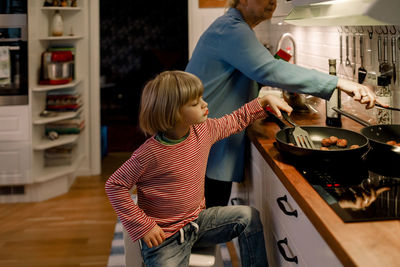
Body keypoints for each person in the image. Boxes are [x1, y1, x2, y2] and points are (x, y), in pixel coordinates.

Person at [185, 0, 378, 208]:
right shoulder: (232, 28)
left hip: (204, 139)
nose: (273, 1)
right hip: (202, 141)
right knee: (200, 223)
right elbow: (269, 70)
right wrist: (339, 82)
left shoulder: (232, 26)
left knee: (206, 219)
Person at [105, 70, 292, 267]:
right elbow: (114, 185)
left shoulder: (203, 130)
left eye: (201, 98)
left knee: (248, 217)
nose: (205, 104)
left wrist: (263, 102)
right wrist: (144, 226)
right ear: (173, 113)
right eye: (195, 103)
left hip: (198, 223)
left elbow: (236, 120)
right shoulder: (149, 154)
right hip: (164, 238)